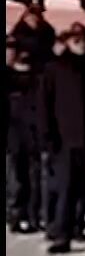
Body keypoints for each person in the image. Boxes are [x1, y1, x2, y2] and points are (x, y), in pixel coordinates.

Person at [40, 27, 85, 253]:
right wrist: (48, 137)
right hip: (64, 140)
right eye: (75, 40)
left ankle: (80, 227)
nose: (80, 43)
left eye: (83, 39)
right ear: (67, 43)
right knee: (65, 190)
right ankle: (61, 234)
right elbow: (45, 105)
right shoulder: (55, 69)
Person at [6, 40, 43, 233]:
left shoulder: (36, 81)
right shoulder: (9, 79)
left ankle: (32, 215)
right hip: (13, 138)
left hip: (32, 138)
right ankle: (15, 216)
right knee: (15, 181)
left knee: (33, 180)